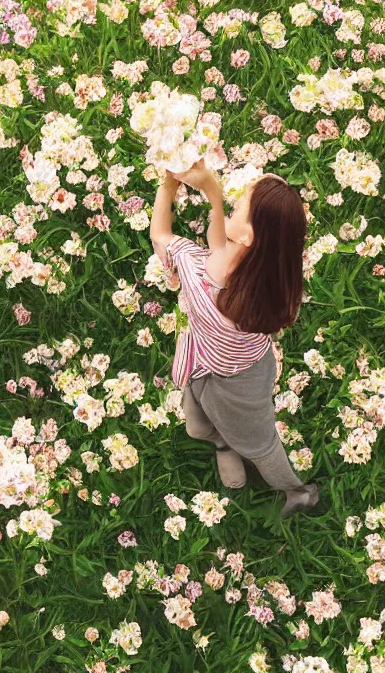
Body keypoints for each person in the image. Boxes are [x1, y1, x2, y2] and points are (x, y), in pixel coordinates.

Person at [149, 160, 319, 518]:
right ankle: (224, 444)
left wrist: (168, 183)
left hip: (232, 387)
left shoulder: (199, 276)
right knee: (200, 425)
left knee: (259, 444)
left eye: (239, 206)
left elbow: (161, 236)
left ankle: (297, 492)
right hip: (253, 368)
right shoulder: (275, 283)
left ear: (247, 237)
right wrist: (213, 194)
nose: (232, 203)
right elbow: (223, 248)